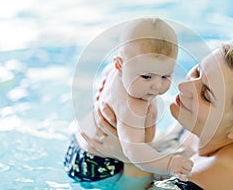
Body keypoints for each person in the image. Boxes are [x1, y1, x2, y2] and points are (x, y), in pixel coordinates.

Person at [78, 40, 233, 189]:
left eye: (206, 95)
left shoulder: (213, 178)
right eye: (198, 72)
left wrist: (133, 160)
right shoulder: (208, 125)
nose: (185, 87)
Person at [64, 17, 193, 183]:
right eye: (147, 77)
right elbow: (134, 151)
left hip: (79, 146)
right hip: (96, 166)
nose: (157, 85)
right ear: (120, 65)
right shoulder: (133, 105)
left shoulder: (113, 71)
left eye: (165, 76)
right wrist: (168, 164)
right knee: (147, 180)